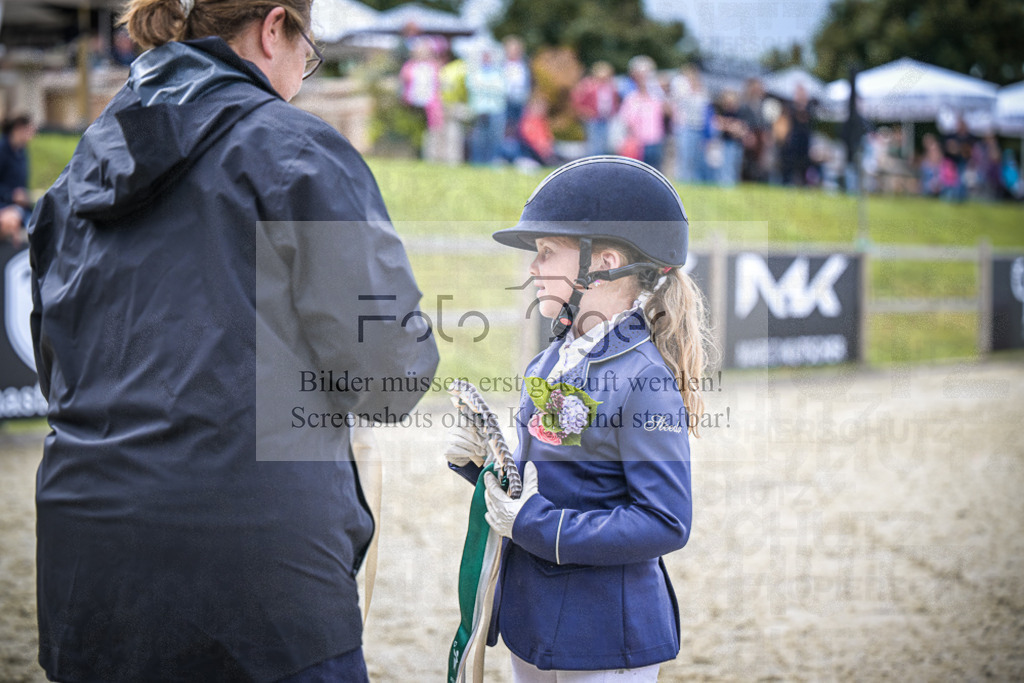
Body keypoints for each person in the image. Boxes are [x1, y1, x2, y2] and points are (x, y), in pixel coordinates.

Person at [27, 1, 439, 681]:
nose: (303, 77)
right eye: (309, 53)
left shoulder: (74, 177)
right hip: (259, 584)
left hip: (87, 570)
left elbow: (58, 370)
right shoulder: (296, 149)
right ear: (275, 26)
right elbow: (387, 373)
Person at [446, 156, 711, 681]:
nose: (532, 268)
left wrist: (534, 524)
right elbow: (543, 484)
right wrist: (483, 469)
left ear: (603, 261)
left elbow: (665, 521)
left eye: (546, 252)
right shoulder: (551, 361)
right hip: (533, 618)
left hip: (601, 634)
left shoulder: (644, 378)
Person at [618, 60, 667, 170]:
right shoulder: (632, 98)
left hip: (655, 139)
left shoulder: (656, 97)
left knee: (655, 170)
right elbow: (626, 121)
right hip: (639, 141)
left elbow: (668, 111)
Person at [669, 63, 710, 183]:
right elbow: (679, 100)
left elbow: (705, 106)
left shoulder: (701, 88)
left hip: (699, 126)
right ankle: (683, 179)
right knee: (684, 156)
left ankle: (693, 180)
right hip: (684, 126)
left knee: (696, 157)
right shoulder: (680, 84)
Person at [467, 47, 507, 164]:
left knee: (494, 138)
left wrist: (486, 88)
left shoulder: (499, 72)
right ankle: (477, 162)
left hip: (495, 109)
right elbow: (473, 87)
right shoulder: (475, 72)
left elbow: (502, 89)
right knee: (478, 139)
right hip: (479, 110)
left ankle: (492, 161)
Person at [570, 61, 618, 158]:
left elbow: (614, 101)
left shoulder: (610, 86)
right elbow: (576, 100)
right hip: (593, 118)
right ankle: (593, 165)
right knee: (594, 145)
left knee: (604, 144)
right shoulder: (588, 85)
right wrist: (584, 112)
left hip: (606, 118)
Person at [0, 114, 35, 210]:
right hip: (4, 205)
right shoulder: (2, 150)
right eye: (30, 130)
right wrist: (11, 195)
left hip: (19, 206)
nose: (32, 135)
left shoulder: (22, 151)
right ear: (18, 128)